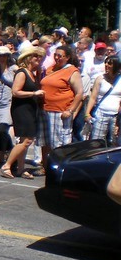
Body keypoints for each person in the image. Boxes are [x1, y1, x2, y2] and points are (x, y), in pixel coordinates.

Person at [1, 47, 45, 180]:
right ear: (28, 58)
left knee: (25, 140)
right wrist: (33, 93)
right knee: (27, 140)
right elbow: (15, 92)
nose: (38, 59)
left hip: (30, 109)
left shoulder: (33, 73)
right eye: (35, 57)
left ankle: (20, 168)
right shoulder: (22, 73)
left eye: (40, 57)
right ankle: (7, 165)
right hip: (21, 109)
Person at [38, 44, 83, 174]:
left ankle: (60, 169)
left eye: (60, 56)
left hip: (60, 111)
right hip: (45, 109)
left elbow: (79, 93)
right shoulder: (50, 69)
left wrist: (70, 110)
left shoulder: (72, 71)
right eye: (55, 55)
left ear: (67, 57)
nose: (57, 58)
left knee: (59, 142)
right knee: (45, 141)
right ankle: (45, 166)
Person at [84, 55, 121, 145]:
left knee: (114, 141)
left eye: (109, 63)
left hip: (116, 116)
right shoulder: (100, 78)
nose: (106, 65)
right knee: (96, 141)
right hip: (101, 113)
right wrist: (87, 113)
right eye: (105, 63)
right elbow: (93, 97)